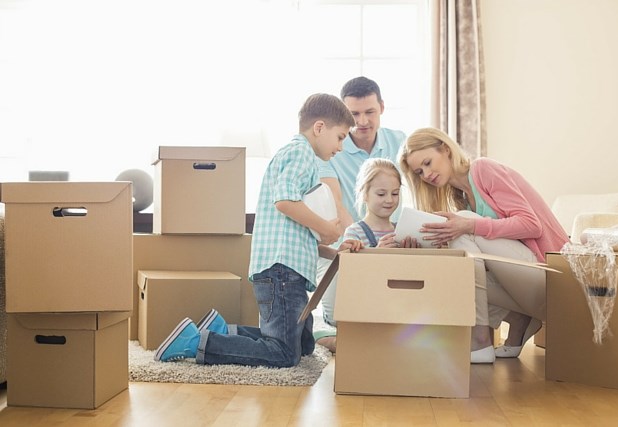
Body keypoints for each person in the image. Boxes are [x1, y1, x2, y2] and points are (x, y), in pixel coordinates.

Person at [154, 93, 363, 367]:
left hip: (287, 268)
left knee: (303, 345)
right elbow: (285, 201)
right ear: (319, 127)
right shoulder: (301, 153)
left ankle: (223, 330)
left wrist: (332, 250)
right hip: (282, 271)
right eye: (340, 137)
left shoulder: (300, 156)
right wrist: (326, 227)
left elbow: (297, 233)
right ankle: (198, 342)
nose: (340, 147)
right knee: (284, 353)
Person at [398, 127, 568, 363]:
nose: (426, 174)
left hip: (552, 277)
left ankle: (480, 339)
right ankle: (517, 319)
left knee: (466, 222)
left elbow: (532, 225)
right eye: (419, 171)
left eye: (428, 162)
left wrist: (470, 225)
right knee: (453, 267)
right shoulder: (462, 196)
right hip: (527, 286)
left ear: (445, 149)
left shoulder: (483, 169)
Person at [315, 77, 406, 351]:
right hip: (346, 248)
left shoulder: (399, 141)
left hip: (391, 243)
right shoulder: (330, 149)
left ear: (382, 108)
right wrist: (367, 250)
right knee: (337, 317)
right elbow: (338, 204)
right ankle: (321, 331)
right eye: (354, 114)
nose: (363, 121)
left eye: (370, 112)